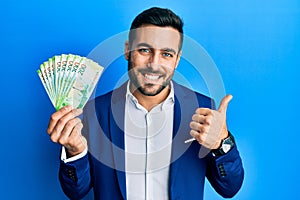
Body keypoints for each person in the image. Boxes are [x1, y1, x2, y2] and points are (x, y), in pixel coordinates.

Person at [47, 7, 244, 200]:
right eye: (144, 50)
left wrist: (221, 143)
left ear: (177, 60)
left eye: (166, 54)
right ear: (127, 50)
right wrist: (75, 152)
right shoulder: (95, 112)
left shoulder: (202, 109)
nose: (154, 64)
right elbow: (76, 192)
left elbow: (229, 188)